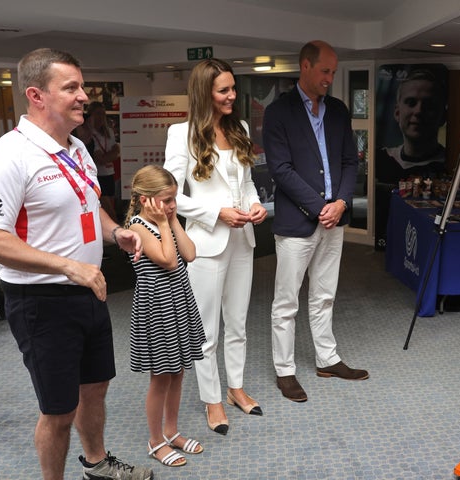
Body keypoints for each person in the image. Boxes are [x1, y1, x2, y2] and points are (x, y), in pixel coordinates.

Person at [0, 48, 152, 480]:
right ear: (36, 95)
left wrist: (115, 233)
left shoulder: (77, 148)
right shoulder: (7, 156)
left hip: (89, 290)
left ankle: (96, 464)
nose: (83, 96)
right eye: (70, 87)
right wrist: (68, 266)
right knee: (58, 409)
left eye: (81, 85)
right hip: (41, 301)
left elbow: (90, 204)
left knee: (95, 390)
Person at [164, 58, 268, 434]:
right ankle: (212, 400)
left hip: (243, 238)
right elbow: (170, 195)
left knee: (238, 322)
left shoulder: (238, 127)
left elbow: (248, 182)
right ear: (204, 92)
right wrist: (215, 212)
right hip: (206, 242)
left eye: (233, 88)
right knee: (207, 329)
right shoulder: (182, 134)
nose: (232, 96)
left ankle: (236, 388)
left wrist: (254, 204)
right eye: (223, 90)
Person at [262, 40, 369, 403]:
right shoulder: (278, 112)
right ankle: (285, 370)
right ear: (305, 66)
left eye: (333, 72)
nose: (330, 78)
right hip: (298, 222)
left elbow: (350, 162)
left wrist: (339, 202)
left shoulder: (338, 110)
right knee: (286, 301)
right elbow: (281, 170)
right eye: (325, 71)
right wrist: (319, 206)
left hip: (333, 221)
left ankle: (327, 359)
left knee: (324, 295)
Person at [124, 165, 206, 468]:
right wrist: (163, 222)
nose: (172, 205)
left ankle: (172, 431)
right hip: (157, 307)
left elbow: (190, 254)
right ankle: (156, 439)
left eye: (174, 199)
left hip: (178, 302)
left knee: (179, 370)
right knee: (160, 377)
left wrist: (172, 221)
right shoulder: (137, 228)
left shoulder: (166, 220)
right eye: (166, 199)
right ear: (145, 199)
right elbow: (170, 261)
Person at [375, 68, 448, 249]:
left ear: (443, 117)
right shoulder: (382, 158)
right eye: (411, 102)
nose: (418, 111)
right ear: (397, 113)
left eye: (429, 105)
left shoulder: (446, 166)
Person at [87, 101, 120, 222]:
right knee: (106, 208)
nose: (100, 117)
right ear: (91, 115)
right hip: (97, 175)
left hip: (109, 173)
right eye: (97, 114)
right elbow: (99, 159)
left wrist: (108, 156)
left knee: (111, 204)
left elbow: (116, 152)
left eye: (102, 114)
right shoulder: (88, 133)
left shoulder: (109, 131)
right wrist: (110, 155)